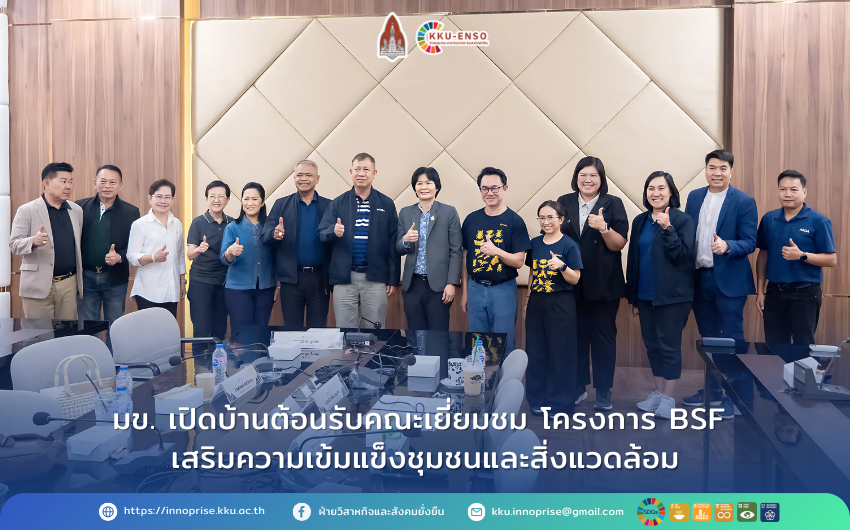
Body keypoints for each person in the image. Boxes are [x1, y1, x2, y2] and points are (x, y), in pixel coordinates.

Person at [683, 150, 757, 416]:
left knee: (732, 339)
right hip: (699, 277)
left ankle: (738, 399)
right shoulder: (694, 197)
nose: (717, 173)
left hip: (729, 281)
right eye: (712, 168)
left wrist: (728, 246)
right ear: (706, 170)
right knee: (709, 339)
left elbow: (750, 242)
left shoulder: (744, 201)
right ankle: (713, 391)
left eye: (723, 168)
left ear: (731, 172)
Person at [557, 156, 628, 411]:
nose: (587, 180)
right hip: (570, 283)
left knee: (603, 338)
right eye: (583, 175)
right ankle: (578, 386)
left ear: (601, 179)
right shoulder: (564, 202)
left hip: (604, 284)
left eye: (593, 175)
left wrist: (604, 228)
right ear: (576, 178)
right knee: (574, 337)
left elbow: (619, 244)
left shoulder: (613, 204)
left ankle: (603, 390)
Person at [626, 171, 696, 419]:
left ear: (671, 192)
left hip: (673, 297)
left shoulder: (682, 220)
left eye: (661, 188)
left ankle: (669, 398)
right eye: (651, 188)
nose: (655, 193)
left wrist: (668, 228)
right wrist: (632, 296)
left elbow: (683, 257)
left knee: (669, 347)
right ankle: (658, 392)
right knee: (652, 346)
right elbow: (633, 259)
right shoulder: (640, 220)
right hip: (645, 296)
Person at [318, 153, 400, 329]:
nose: (361, 173)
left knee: (376, 332)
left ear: (374, 173)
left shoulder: (386, 204)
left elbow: (393, 242)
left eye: (366, 169)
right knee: (345, 332)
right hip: (344, 279)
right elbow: (322, 234)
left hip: (375, 278)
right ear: (351, 172)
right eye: (357, 169)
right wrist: (333, 231)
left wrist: (393, 278)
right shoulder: (338, 203)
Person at [755, 170, 836, 344]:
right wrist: (760, 290)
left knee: (803, 347)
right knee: (774, 347)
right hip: (774, 293)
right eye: (783, 189)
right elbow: (763, 254)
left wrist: (802, 256)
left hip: (805, 294)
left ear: (804, 192)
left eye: (793, 189)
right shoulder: (769, 219)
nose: (788, 194)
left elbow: (831, 259)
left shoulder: (818, 220)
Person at [461, 167, 531, 353]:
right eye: (484, 188)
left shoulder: (515, 221)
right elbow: (466, 256)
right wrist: (465, 292)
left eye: (494, 188)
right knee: (477, 344)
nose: (489, 193)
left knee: (504, 342)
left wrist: (497, 251)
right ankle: (480, 374)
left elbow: (519, 261)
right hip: (475, 289)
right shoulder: (471, 220)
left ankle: (504, 374)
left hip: (503, 289)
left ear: (504, 188)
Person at [523, 201, 582, 416]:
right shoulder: (535, 243)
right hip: (537, 302)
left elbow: (575, 278)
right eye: (542, 217)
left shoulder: (569, 245)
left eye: (550, 217)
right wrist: (528, 298)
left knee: (561, 354)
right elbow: (532, 273)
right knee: (536, 353)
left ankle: (560, 404)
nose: (545, 221)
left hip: (561, 303)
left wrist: (562, 266)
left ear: (561, 219)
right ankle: (537, 400)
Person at [262, 160, 332, 330]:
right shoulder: (281, 204)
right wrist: (273, 234)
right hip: (290, 280)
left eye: (308, 175)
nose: (303, 178)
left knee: (318, 331)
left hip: (319, 279)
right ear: (294, 178)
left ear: (317, 179)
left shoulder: (329, 205)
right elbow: (264, 235)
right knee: (292, 331)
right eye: (299, 175)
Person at [76, 165, 141, 349]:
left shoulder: (131, 212)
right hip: (86, 277)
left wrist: (120, 257)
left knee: (116, 326)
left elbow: (136, 246)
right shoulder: (79, 207)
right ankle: (91, 362)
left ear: (120, 185)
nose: (107, 186)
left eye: (113, 182)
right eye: (103, 181)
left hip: (115, 279)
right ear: (95, 183)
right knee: (88, 327)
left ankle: (114, 364)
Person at [9, 162, 84, 319]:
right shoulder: (27, 210)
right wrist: (33, 241)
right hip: (37, 283)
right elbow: (14, 245)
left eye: (71, 181)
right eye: (63, 181)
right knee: (39, 332)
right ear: (47, 183)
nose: (68, 186)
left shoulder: (76, 211)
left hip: (68, 284)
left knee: (67, 331)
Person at [396, 167, 462, 331]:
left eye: (428, 183)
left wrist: (452, 283)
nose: (423, 187)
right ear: (414, 187)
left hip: (439, 285)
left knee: (437, 333)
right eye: (419, 183)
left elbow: (456, 250)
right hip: (412, 284)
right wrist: (405, 240)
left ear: (436, 187)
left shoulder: (448, 212)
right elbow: (398, 248)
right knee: (415, 332)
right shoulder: (405, 213)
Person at [221, 182, 276, 343]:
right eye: (246, 199)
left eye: (254, 199)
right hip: (237, 290)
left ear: (262, 202)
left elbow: (278, 258)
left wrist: (278, 286)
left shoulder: (270, 228)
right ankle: (241, 361)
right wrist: (230, 252)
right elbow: (224, 258)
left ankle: (259, 360)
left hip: (266, 289)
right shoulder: (232, 228)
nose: (249, 203)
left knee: (260, 334)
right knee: (241, 335)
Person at [127, 179, 186, 318]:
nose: (163, 201)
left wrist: (182, 281)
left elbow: (180, 253)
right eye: (159, 196)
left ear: (173, 200)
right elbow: (132, 256)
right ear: (150, 198)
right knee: (149, 329)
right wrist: (153, 258)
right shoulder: (140, 224)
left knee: (168, 329)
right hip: (148, 290)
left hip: (171, 289)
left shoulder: (177, 223)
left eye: (167, 197)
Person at [187, 181, 233, 350]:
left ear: (227, 200)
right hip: (201, 282)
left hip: (224, 282)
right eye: (212, 196)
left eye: (221, 196)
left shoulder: (232, 223)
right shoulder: (198, 223)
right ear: (206, 199)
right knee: (201, 329)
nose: (216, 200)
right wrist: (199, 249)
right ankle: (199, 364)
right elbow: (190, 254)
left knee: (220, 330)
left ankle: (217, 364)